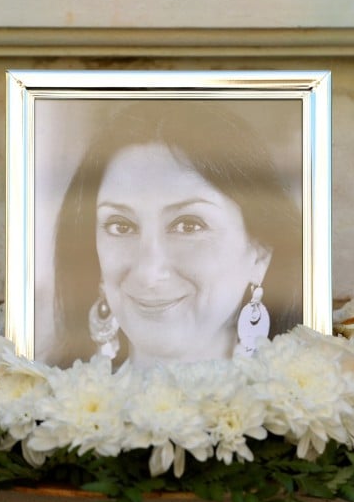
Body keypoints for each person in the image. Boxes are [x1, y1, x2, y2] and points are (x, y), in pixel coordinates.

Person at [47, 100, 302, 368]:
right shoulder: (35, 401)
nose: (148, 272)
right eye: (120, 226)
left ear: (260, 253)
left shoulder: (326, 400)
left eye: (188, 226)